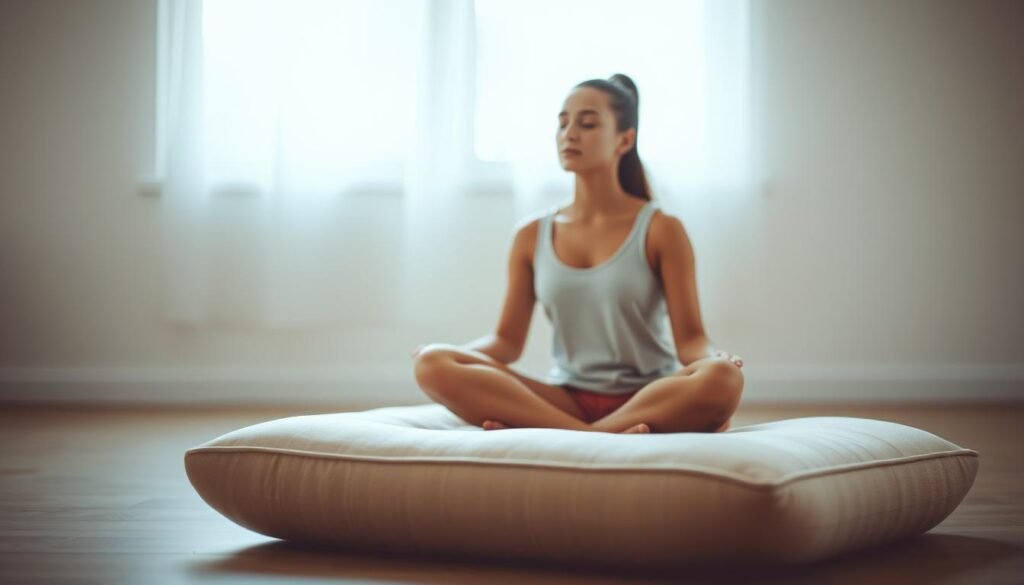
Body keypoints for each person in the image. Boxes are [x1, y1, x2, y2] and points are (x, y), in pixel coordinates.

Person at [411, 74, 744, 434]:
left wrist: (715, 358)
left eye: (586, 123)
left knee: (723, 378)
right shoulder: (531, 235)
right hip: (565, 398)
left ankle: (571, 434)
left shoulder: (662, 229)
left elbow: (691, 340)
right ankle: (598, 435)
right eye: (562, 123)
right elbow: (506, 343)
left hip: (649, 396)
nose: (569, 133)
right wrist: (451, 354)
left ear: (624, 140)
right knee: (432, 363)